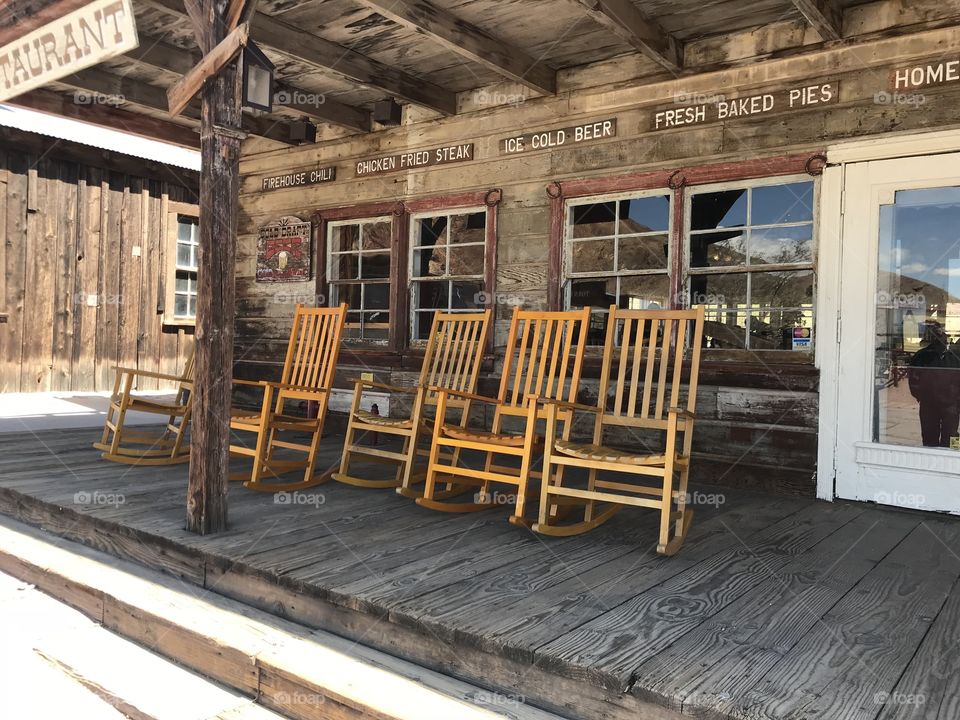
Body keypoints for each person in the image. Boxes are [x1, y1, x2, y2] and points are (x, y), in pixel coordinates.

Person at [908, 322, 960, 447]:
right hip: (929, 404)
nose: (941, 338)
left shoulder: (955, 356)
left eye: (942, 335)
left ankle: (951, 461)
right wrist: (921, 397)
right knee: (929, 438)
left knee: (951, 437)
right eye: (938, 335)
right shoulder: (922, 355)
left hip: (951, 406)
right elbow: (913, 379)